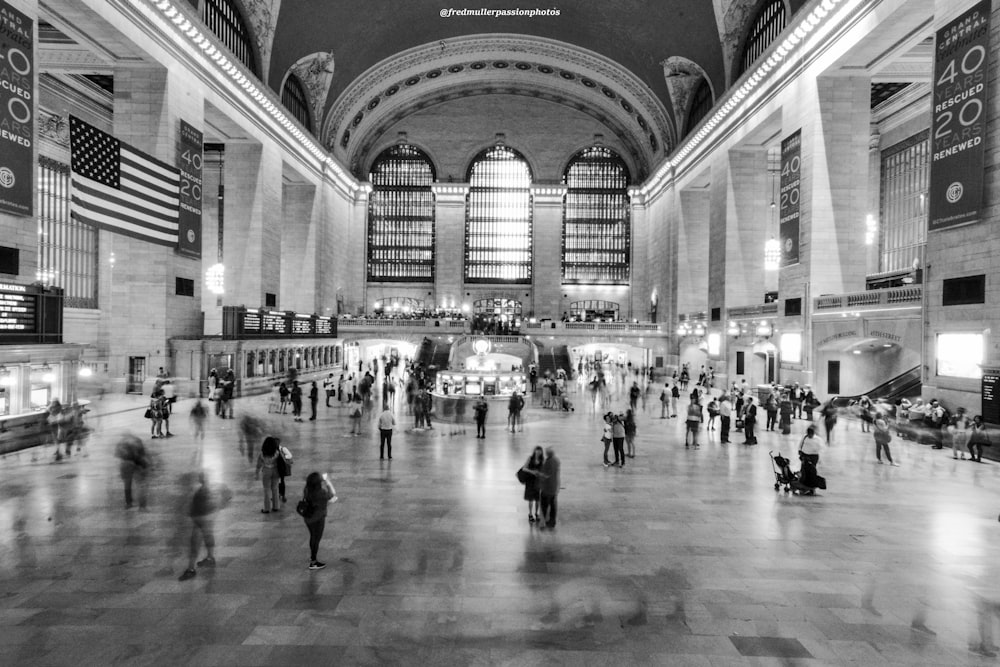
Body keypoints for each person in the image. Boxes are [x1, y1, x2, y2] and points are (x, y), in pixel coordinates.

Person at [178, 472, 228, 581]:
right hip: (205, 519)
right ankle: (210, 557)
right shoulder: (206, 489)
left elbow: (224, 495)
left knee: (195, 543)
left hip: (201, 520)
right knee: (207, 536)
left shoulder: (203, 491)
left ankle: (191, 569)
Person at [301, 472, 337, 570]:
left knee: (312, 536)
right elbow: (333, 494)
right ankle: (313, 561)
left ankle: (312, 556)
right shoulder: (321, 493)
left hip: (308, 518)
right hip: (318, 518)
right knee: (316, 538)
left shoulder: (307, 490)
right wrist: (327, 481)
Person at [115, 434, 149, 509]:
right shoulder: (137, 441)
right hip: (138, 463)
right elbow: (143, 453)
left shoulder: (121, 443)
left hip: (126, 464)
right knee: (140, 484)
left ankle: (128, 503)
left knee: (127, 485)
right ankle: (142, 505)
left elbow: (117, 454)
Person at [255, 436, 281, 513]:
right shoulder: (276, 453)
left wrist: (257, 473)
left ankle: (267, 508)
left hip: (266, 471)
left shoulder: (262, 454)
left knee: (266, 490)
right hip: (276, 471)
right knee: (275, 488)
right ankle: (276, 506)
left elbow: (258, 465)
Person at [520, 447, 545, 523]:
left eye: (539, 452)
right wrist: (532, 472)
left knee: (537, 499)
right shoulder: (530, 458)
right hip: (530, 481)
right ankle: (530, 514)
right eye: (537, 452)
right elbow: (524, 468)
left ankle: (536, 514)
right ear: (534, 452)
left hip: (537, 481)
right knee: (531, 499)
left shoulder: (542, 460)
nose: (538, 454)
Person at [539, 447, 560, 529]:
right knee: (553, 507)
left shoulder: (548, 462)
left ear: (547, 454)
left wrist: (539, 474)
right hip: (554, 488)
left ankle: (543, 522)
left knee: (544, 506)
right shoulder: (556, 460)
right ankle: (552, 522)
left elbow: (546, 475)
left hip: (546, 489)